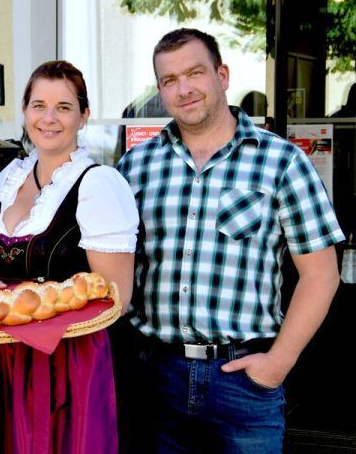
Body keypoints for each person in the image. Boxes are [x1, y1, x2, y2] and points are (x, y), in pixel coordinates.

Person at [115, 28, 343, 453]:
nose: (184, 89)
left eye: (195, 73)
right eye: (169, 81)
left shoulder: (281, 161)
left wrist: (277, 364)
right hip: (154, 377)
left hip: (243, 381)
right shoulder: (135, 167)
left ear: (222, 75)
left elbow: (321, 274)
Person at [0, 60, 139, 453]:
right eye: (38, 105)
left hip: (70, 364)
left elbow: (116, 299)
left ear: (84, 116)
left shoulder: (98, 184)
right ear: (25, 112)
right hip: (4, 359)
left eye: (64, 107)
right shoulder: (9, 178)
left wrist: (32, 309)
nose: (49, 118)